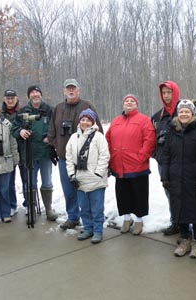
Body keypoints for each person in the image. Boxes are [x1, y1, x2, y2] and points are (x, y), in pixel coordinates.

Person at [48, 78, 103, 230]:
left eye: (74, 88)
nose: (71, 91)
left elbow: (98, 130)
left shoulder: (87, 106)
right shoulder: (58, 108)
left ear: (78, 90)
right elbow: (51, 131)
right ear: (64, 91)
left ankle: (89, 220)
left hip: (85, 159)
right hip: (64, 158)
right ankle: (73, 217)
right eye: (68, 88)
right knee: (68, 189)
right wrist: (53, 146)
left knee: (85, 188)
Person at [161, 99, 196, 258]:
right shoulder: (172, 130)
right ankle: (184, 240)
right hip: (176, 177)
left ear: (192, 113)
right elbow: (166, 155)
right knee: (180, 209)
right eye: (181, 111)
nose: (183, 114)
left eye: (187, 111)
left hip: (195, 178)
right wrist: (165, 176)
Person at [106, 94, 156, 235]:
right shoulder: (116, 121)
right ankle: (127, 219)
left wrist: (141, 157)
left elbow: (149, 140)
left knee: (138, 194)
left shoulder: (144, 120)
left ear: (136, 105)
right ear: (123, 104)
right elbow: (108, 139)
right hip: (119, 164)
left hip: (137, 165)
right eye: (126, 100)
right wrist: (111, 157)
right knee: (123, 195)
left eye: (132, 101)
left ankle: (139, 220)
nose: (129, 102)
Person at [11, 85, 58, 222]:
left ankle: (48, 208)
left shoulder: (50, 110)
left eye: (37, 92)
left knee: (47, 181)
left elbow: (56, 126)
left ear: (41, 95)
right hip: (29, 152)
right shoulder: (22, 112)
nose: (35, 94)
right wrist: (20, 132)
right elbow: (14, 128)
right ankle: (31, 208)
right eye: (32, 93)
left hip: (45, 152)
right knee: (30, 182)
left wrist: (50, 137)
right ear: (28, 96)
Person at [66, 109, 110, 244]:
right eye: (83, 119)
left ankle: (97, 231)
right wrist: (72, 175)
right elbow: (69, 158)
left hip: (96, 179)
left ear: (93, 122)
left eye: (88, 120)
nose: (85, 122)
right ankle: (88, 228)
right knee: (84, 207)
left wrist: (98, 173)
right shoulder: (73, 137)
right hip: (80, 180)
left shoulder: (99, 137)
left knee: (97, 208)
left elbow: (104, 156)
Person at [151, 80, 180, 236]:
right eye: (164, 93)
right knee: (169, 192)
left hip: (181, 162)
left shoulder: (183, 111)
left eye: (169, 92)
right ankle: (174, 221)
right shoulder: (157, 117)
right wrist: (156, 155)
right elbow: (151, 139)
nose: (167, 95)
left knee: (182, 193)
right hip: (164, 163)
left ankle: (184, 224)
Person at [1, 89, 24, 217]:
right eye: (8, 98)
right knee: (9, 181)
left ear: (16, 98)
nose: (10, 100)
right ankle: (12, 205)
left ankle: (28, 204)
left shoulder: (22, 111)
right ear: (4, 99)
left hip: (23, 149)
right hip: (7, 152)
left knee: (27, 180)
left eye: (12, 98)